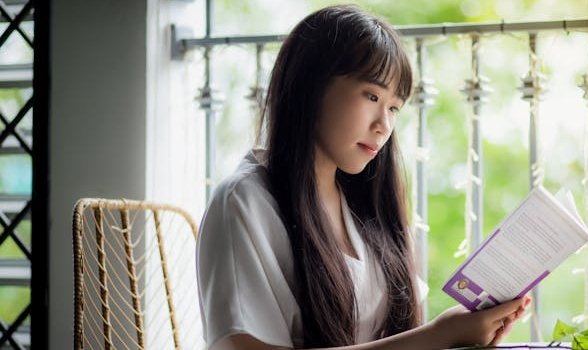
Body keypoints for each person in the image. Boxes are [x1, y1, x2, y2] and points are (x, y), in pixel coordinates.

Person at [195, 4, 532, 350]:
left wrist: (465, 334)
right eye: (371, 96)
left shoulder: (364, 206)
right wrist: (436, 336)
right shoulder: (243, 203)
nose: (383, 126)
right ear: (310, 85)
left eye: (394, 108)